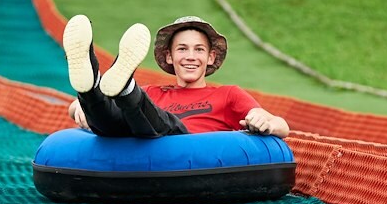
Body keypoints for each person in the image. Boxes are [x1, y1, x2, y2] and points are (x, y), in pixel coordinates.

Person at [63, 14, 290, 139]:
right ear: (169, 57)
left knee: (164, 122)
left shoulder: (228, 94)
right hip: (138, 145)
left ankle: (124, 88)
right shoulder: (153, 93)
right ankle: (90, 87)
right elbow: (78, 109)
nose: (190, 56)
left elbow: (281, 125)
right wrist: (79, 106)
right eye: (182, 49)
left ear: (210, 57)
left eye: (198, 50)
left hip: (185, 148)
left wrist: (264, 122)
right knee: (115, 118)